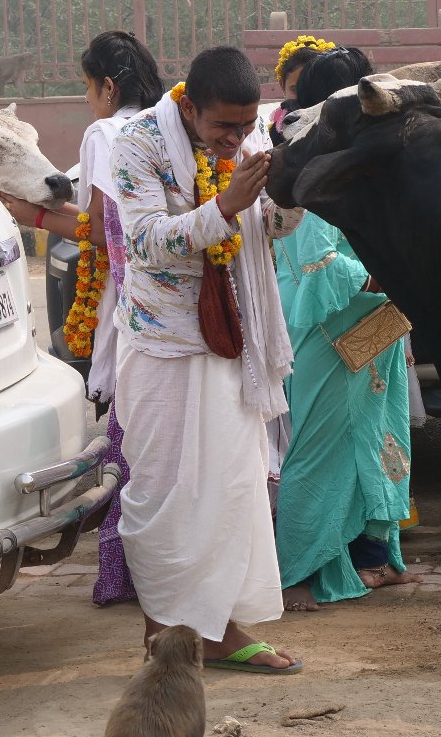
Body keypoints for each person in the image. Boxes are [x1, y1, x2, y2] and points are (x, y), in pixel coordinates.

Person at [110, 46, 305, 673]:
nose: (235, 139)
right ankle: (164, 637)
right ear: (189, 106)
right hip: (162, 342)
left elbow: (269, 227)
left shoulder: (247, 141)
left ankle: (219, 630)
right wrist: (225, 206)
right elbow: (144, 242)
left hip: (231, 337)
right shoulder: (136, 143)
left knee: (232, 484)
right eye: (224, 126)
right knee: (164, 492)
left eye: (246, 126)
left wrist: (290, 194)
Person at [0, 31, 163, 608]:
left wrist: (30, 215)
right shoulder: (163, 124)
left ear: (108, 87)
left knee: (130, 438)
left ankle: (127, 572)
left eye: (88, 88)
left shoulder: (105, 132)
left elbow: (96, 229)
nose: (87, 99)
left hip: (132, 302)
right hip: (167, 296)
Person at [272, 47, 421, 614]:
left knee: (380, 434)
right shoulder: (306, 162)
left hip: (376, 319)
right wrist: (391, 272)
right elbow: (318, 261)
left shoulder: (365, 158)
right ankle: (298, 573)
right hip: (326, 324)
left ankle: (376, 557)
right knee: (318, 446)